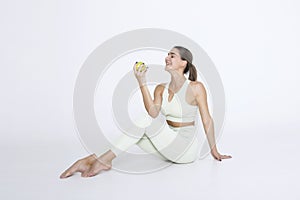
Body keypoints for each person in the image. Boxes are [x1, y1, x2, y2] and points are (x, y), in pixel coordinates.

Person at [60, 46, 232, 179]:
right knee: (137, 132)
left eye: (172, 55)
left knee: (143, 122)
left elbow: (207, 120)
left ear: (183, 62)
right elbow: (153, 113)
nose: (167, 57)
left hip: (185, 149)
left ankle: (102, 160)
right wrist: (141, 82)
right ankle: (93, 159)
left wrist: (214, 151)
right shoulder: (160, 89)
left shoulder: (196, 88)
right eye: (167, 54)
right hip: (168, 146)